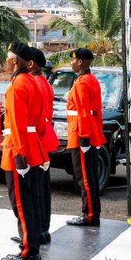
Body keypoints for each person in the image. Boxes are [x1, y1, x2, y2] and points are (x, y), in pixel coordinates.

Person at [0, 42, 47, 260]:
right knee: (30, 200)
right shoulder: (34, 83)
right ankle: (32, 246)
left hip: (20, 149)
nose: (6, 63)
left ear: (16, 61)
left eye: (8, 59)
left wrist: (19, 155)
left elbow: (17, 124)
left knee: (21, 203)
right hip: (33, 144)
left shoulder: (17, 86)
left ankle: (29, 251)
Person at [66, 47, 106, 227]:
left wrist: (84, 138)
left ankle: (89, 215)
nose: (72, 63)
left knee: (85, 177)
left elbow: (83, 112)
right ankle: (90, 212)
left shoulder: (83, 82)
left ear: (80, 62)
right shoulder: (90, 80)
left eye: (73, 60)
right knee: (87, 175)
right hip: (86, 132)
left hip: (82, 134)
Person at [29, 48, 57, 243]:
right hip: (44, 138)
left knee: (35, 189)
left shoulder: (35, 83)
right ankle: (42, 228)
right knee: (41, 188)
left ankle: (37, 229)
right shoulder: (43, 82)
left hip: (37, 139)